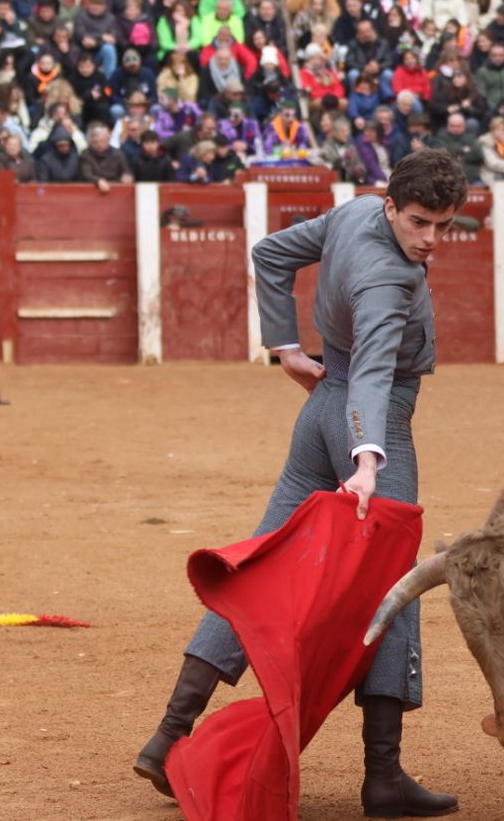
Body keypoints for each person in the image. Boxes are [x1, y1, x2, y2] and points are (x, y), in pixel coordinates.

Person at [135, 150, 469, 821]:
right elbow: (376, 369)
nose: (430, 236)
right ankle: (383, 774)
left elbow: (270, 252)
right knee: (394, 585)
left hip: (319, 413)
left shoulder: (350, 213)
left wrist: (285, 346)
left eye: (443, 224)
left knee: (261, 560)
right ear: (391, 207)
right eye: (420, 220)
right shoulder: (387, 277)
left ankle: (170, 730)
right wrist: (369, 457)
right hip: (368, 423)